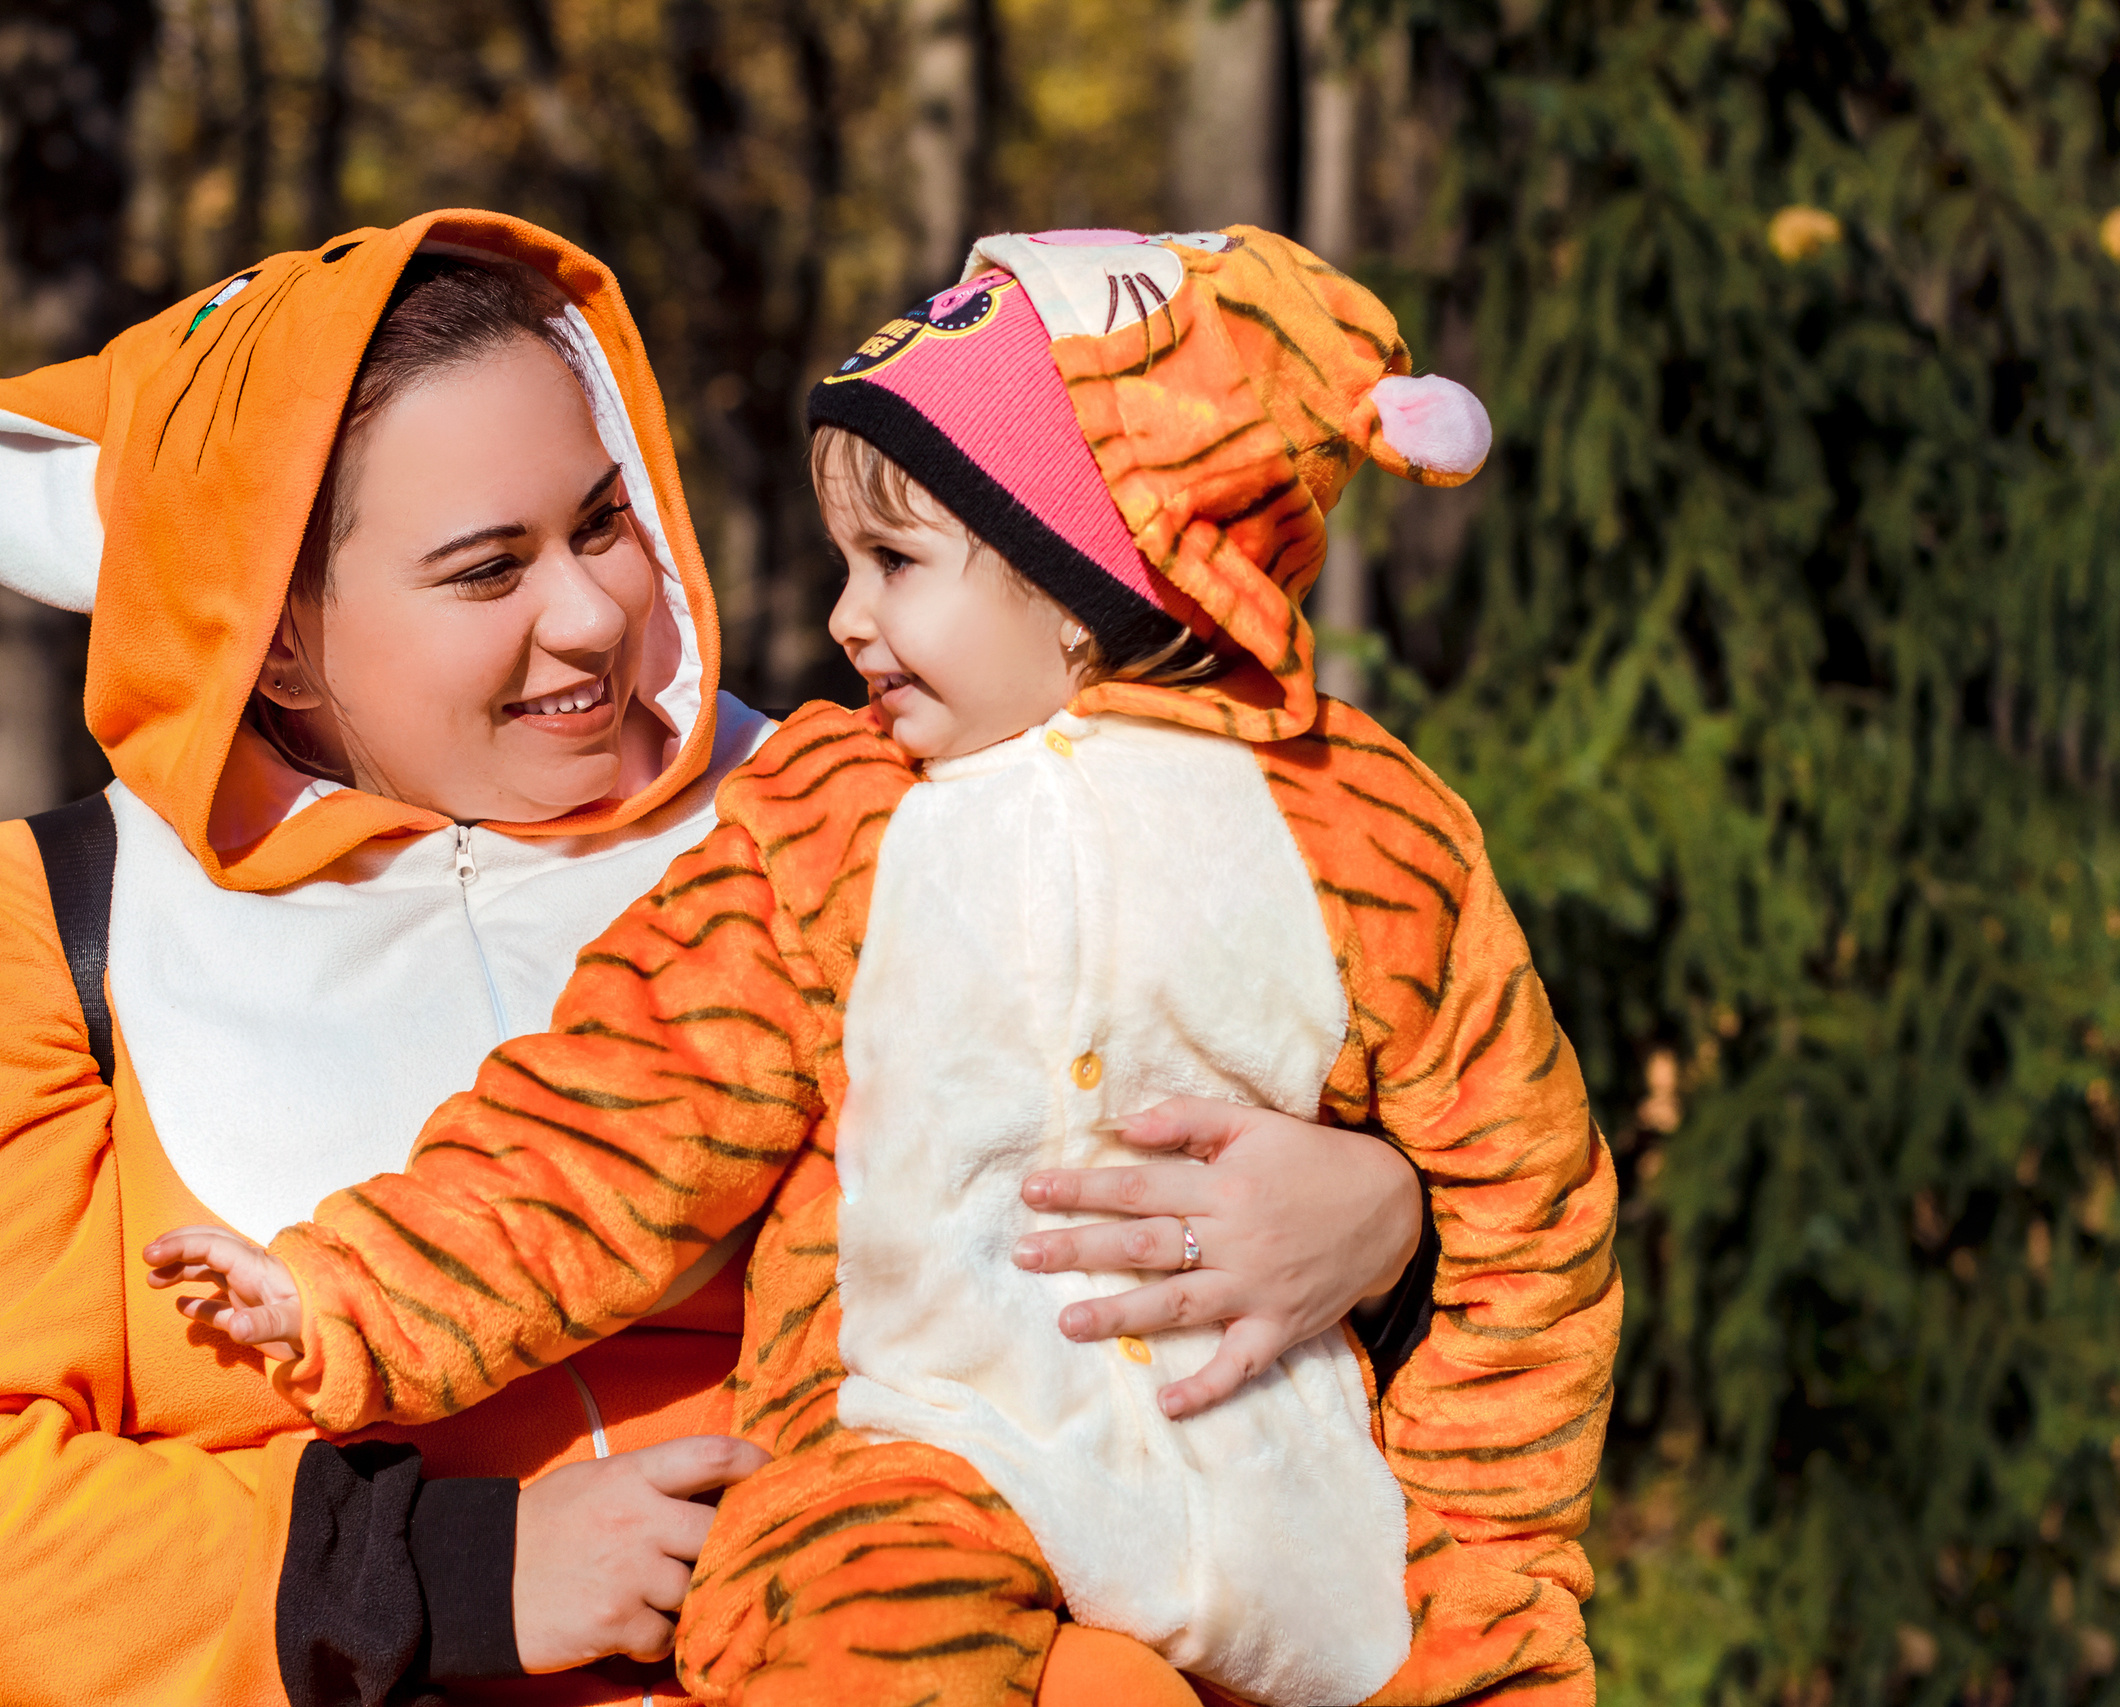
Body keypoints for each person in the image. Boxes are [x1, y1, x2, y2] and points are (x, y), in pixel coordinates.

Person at [0, 210, 1432, 1707]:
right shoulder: (48, 927)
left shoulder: (855, 800)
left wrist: (1376, 1218)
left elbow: (1295, 1046)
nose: (586, 616)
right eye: (485, 569)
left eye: (603, 524)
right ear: (269, 629)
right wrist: (451, 1575)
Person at [149, 227, 1620, 1707]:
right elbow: (625, 1106)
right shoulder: (830, 810)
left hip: (1281, 1510)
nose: (846, 618)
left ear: (1094, 572)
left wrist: (1496, 1582)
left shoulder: (1369, 831)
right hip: (913, 1466)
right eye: (849, 561)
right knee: (872, 1629)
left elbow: (1528, 1202)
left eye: (898, 562)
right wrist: (351, 1291)